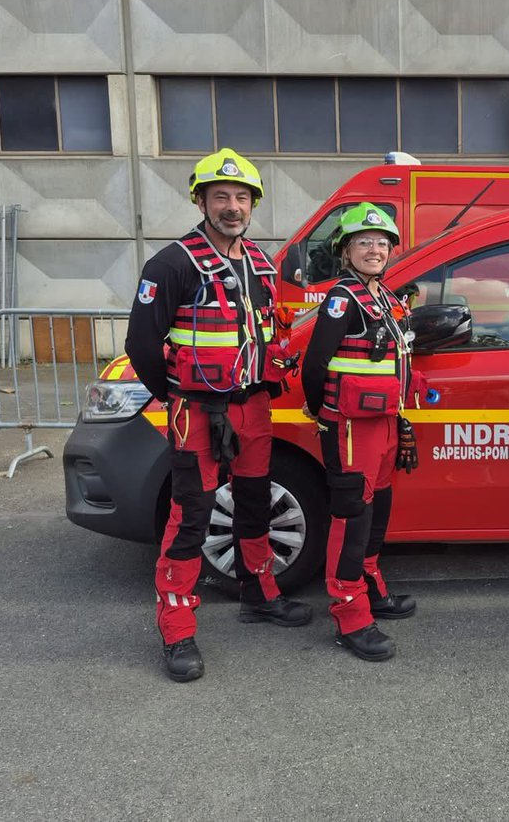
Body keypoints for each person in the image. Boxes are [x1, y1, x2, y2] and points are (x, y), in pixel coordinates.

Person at [125, 148, 311, 683]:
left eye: (241, 198)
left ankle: (260, 592)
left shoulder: (257, 261)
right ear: (201, 200)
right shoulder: (171, 264)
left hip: (253, 405)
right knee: (192, 515)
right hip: (196, 409)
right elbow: (141, 343)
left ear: (252, 204)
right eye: (221, 197)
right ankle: (177, 628)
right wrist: (176, 393)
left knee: (255, 500)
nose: (233, 207)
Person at [301, 203, 421, 662]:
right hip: (349, 426)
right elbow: (315, 364)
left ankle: (370, 588)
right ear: (345, 250)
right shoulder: (342, 298)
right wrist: (323, 413)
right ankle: (349, 613)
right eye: (364, 242)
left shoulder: (385, 297)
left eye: (381, 243)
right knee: (352, 516)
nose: (374, 249)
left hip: (384, 423)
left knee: (379, 509)